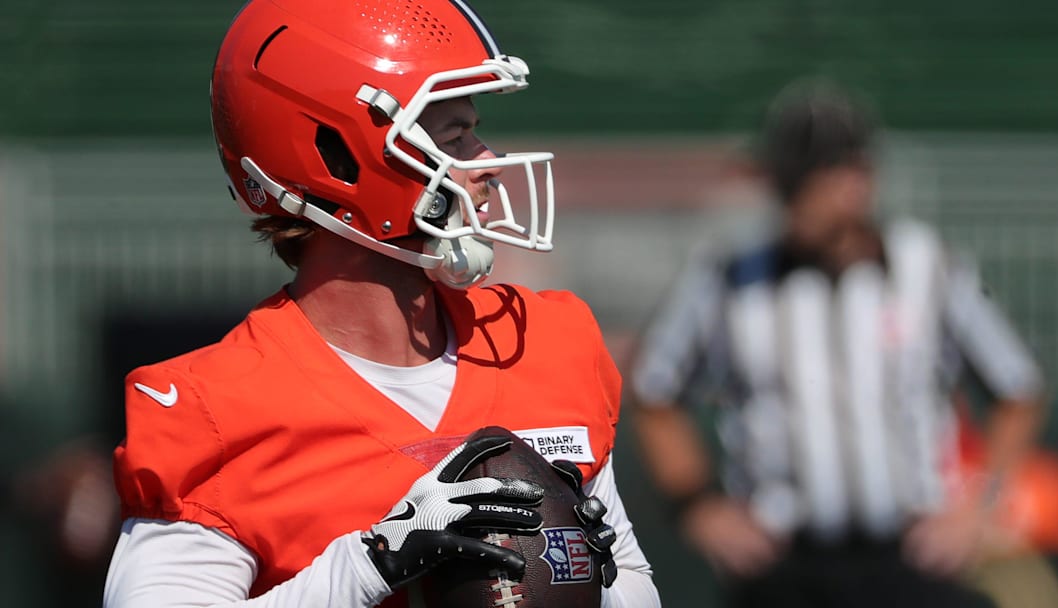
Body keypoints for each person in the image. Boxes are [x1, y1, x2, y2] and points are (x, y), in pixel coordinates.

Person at [103, 1, 660, 606]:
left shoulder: (540, 340)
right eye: (454, 135)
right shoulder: (217, 409)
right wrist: (371, 563)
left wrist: (594, 589)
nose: (488, 162)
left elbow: (633, 578)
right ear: (337, 155)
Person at [630, 80, 1045, 607]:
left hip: (909, 553)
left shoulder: (927, 266)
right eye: (785, 181)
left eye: (806, 181)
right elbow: (654, 391)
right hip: (783, 561)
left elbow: (1018, 388)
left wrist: (976, 506)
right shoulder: (730, 275)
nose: (790, 199)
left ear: (859, 179)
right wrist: (697, 508)